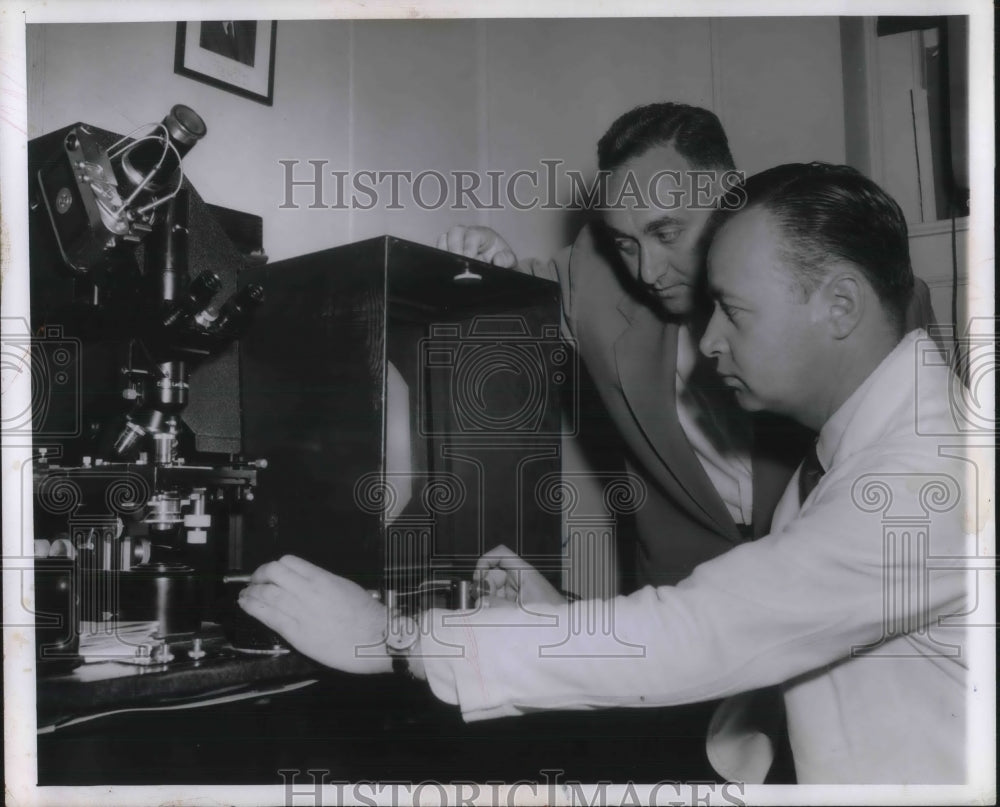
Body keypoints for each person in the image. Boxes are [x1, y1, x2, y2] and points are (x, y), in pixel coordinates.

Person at [239, 164, 973, 784]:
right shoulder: (863, 447)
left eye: (735, 311)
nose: (710, 338)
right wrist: (557, 613)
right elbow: (761, 633)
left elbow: (701, 633)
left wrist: (390, 636)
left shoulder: (925, 473)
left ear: (840, 304)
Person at [438, 103, 938, 590]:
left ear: (731, 199)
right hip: (675, 596)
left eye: (668, 232)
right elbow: (515, 304)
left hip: (832, 582)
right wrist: (490, 262)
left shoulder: (868, 298)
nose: (647, 272)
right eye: (625, 244)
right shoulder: (595, 270)